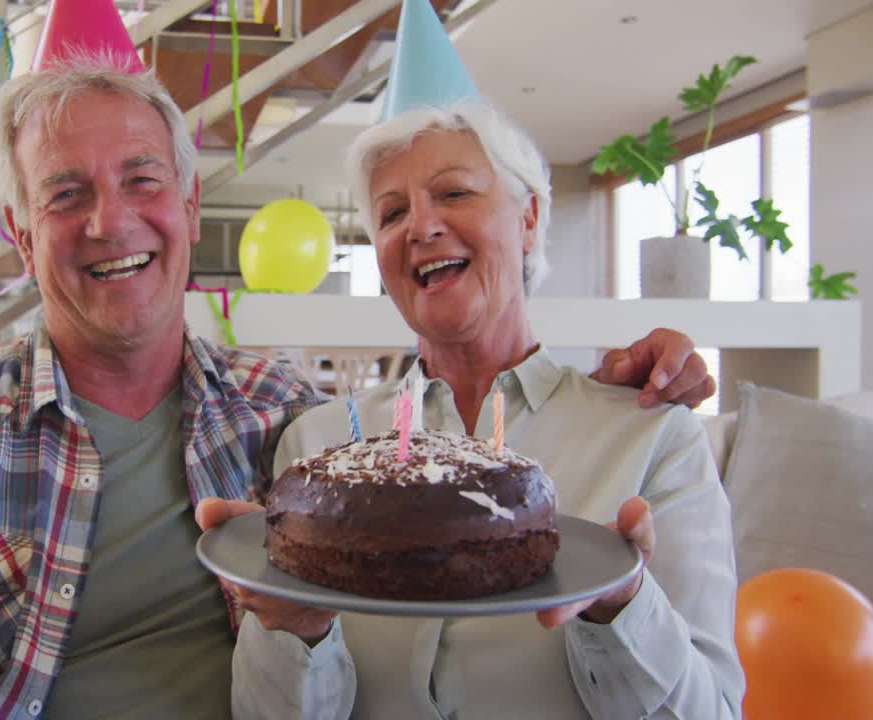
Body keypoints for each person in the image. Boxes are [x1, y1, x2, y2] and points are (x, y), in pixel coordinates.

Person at [0, 55, 716, 720]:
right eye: (64, 194)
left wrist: (638, 372)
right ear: (13, 236)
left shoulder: (284, 421)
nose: (109, 222)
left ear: (186, 200)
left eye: (140, 180)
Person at [204, 98, 744, 720]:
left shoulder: (646, 435)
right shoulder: (321, 447)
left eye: (455, 194)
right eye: (392, 212)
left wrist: (621, 603)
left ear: (530, 218)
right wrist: (293, 631)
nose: (421, 226)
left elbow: (715, 712)